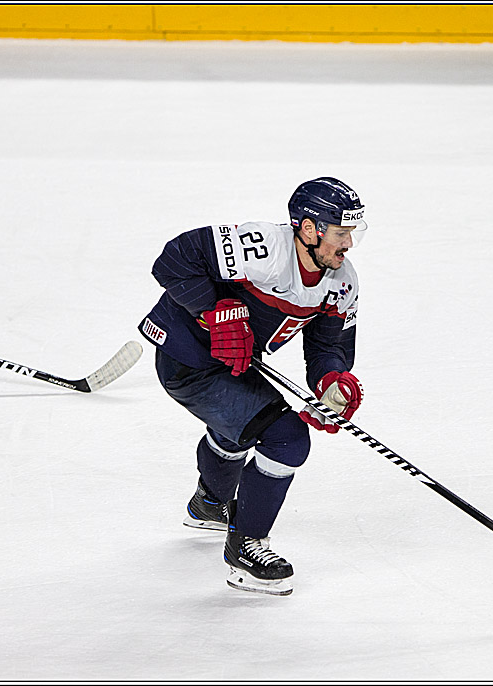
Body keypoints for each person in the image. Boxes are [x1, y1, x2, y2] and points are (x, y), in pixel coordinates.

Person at [138, 177, 367, 596]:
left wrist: (332, 382)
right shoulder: (261, 246)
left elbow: (328, 347)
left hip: (235, 364)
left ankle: (210, 502)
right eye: (340, 232)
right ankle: (245, 548)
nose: (348, 243)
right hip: (188, 360)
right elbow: (172, 260)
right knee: (286, 438)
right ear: (309, 228)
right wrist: (214, 310)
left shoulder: (342, 282)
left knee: (237, 430)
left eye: (353, 232)